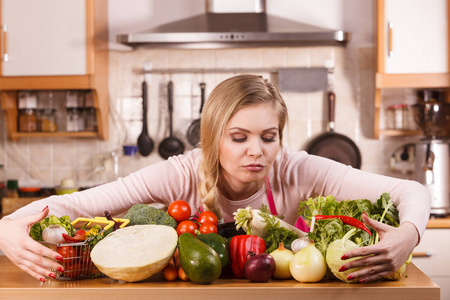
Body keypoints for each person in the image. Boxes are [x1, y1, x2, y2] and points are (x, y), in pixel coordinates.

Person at [0, 74, 430, 284]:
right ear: (212, 140)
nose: (256, 151)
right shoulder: (180, 173)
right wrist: (6, 227)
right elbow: (80, 204)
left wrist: (408, 235)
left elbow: (411, 190)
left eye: (268, 137)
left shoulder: (298, 168)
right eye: (239, 137)